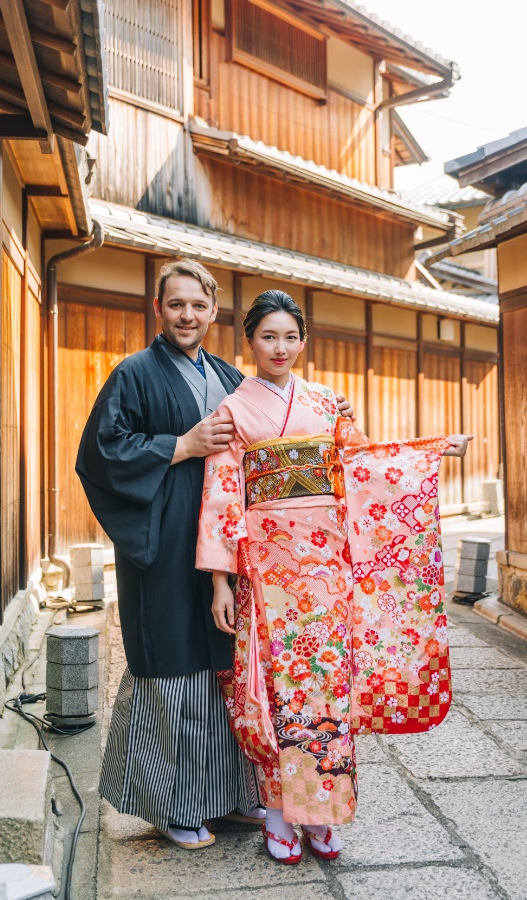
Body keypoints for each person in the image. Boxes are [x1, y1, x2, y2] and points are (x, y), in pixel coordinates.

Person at [76, 260, 356, 850]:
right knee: (174, 674)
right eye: (177, 305)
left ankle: (226, 796)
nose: (187, 316)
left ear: (214, 313)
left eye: (199, 306)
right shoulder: (134, 374)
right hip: (163, 544)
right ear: (159, 309)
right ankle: (174, 806)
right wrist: (180, 444)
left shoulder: (230, 377)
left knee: (228, 677)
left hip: (230, 552)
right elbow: (101, 453)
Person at [195, 289, 472, 863]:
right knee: (275, 690)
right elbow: (222, 494)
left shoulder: (327, 404)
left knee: (326, 686)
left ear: (303, 340)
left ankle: (321, 813)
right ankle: (277, 810)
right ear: (249, 341)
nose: (281, 347)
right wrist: (221, 582)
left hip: (327, 571)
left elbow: (365, 466)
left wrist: (435, 449)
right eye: (269, 336)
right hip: (267, 572)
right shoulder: (233, 411)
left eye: (291, 337)